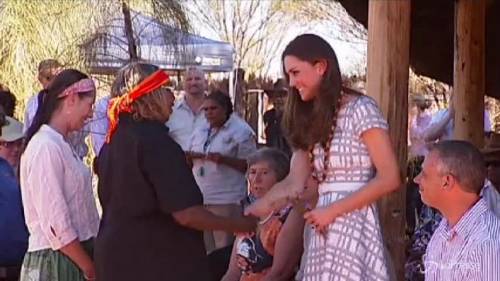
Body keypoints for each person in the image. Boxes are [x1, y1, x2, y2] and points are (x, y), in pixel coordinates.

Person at [245, 34, 401, 280]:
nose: (292, 82)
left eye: (296, 72)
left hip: (353, 222)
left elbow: (390, 177)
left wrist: (333, 210)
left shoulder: (362, 109)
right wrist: (259, 207)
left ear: (320, 67)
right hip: (322, 221)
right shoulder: (311, 117)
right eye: (289, 76)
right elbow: (295, 182)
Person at [95, 63, 257, 281]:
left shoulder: (112, 142)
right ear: (151, 95)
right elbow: (186, 214)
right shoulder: (154, 142)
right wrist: (241, 225)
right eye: (166, 90)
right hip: (152, 262)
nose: (173, 98)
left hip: (116, 259)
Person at [19, 69, 100, 281]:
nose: (90, 113)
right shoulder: (45, 146)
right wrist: (88, 267)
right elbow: (56, 224)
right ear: (72, 99)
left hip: (70, 260)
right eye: (89, 105)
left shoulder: (60, 145)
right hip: (58, 263)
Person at [414, 140, 500, 280]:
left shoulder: (488, 245)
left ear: (447, 181)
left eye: (424, 174)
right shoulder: (444, 229)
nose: (416, 179)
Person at [188, 90, 257, 253]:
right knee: (205, 250)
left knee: (224, 249)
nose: (209, 113)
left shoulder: (241, 131)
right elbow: (190, 152)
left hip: (227, 199)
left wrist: (224, 160)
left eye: (214, 109)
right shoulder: (201, 128)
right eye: (205, 109)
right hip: (201, 197)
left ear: (226, 109)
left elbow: (252, 166)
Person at [222, 148, 305, 281]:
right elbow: (233, 272)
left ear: (281, 177)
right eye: (253, 172)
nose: (256, 179)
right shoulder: (250, 212)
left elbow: (279, 273)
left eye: (264, 173)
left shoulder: (291, 214)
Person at [23, 60, 89, 160]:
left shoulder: (69, 102)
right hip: (38, 154)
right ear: (40, 79)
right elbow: (26, 131)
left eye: (56, 78)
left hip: (68, 156)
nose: (52, 83)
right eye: (48, 78)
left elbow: (81, 132)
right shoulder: (32, 104)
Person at [0, 115, 28, 272]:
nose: (16, 149)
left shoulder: (26, 173)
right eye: (8, 144)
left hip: (20, 266)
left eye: (19, 143)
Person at [167, 66, 209, 151]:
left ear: (205, 83)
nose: (193, 83)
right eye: (189, 79)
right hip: (177, 163)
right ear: (183, 84)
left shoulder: (218, 111)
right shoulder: (171, 112)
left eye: (197, 79)